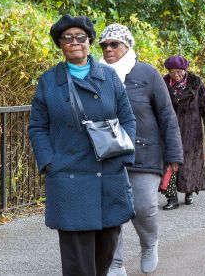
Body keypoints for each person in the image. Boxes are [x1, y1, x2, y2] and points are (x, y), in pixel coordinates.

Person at [28, 15, 136, 276]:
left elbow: (128, 119)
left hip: (108, 176)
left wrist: (123, 157)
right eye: (68, 38)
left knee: (104, 254)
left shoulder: (109, 77)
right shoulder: (49, 81)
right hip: (68, 178)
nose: (75, 42)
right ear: (60, 45)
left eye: (80, 37)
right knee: (78, 264)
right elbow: (38, 127)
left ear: (89, 41)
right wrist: (49, 163)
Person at [98, 24, 183, 276]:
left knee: (144, 206)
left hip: (144, 152)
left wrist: (174, 155)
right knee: (110, 210)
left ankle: (149, 243)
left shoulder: (148, 74)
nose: (108, 49)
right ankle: (114, 262)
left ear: (127, 45)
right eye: (104, 45)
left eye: (114, 44)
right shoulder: (97, 74)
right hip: (107, 154)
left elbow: (166, 115)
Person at [161, 55, 205, 210]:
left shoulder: (196, 83)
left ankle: (189, 191)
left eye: (179, 71)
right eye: (172, 72)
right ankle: (171, 197)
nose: (176, 75)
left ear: (185, 70)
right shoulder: (163, 84)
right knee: (170, 163)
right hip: (170, 130)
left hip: (192, 131)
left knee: (190, 164)